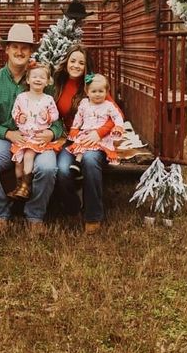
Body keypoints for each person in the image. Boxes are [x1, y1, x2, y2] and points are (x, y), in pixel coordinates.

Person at [0, 23, 63, 234]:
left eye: (25, 47)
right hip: (8, 140)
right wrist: (7, 133)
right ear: (6, 49)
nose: (20, 52)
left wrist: (51, 133)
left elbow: (58, 121)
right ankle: (1, 214)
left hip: (40, 141)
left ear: (31, 51)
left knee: (48, 168)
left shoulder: (41, 81)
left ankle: (35, 216)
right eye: (15, 46)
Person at [53, 45, 118, 234]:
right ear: (66, 63)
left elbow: (116, 114)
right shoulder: (58, 83)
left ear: (86, 66)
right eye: (73, 61)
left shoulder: (94, 86)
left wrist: (99, 132)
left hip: (93, 139)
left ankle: (93, 215)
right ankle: (73, 207)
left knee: (90, 161)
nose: (76, 65)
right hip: (69, 138)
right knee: (63, 171)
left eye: (81, 62)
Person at [8, 61, 61, 200]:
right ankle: (19, 186)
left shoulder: (48, 99)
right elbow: (15, 112)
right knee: (18, 161)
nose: (38, 79)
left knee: (28, 156)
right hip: (24, 136)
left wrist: (47, 116)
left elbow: (56, 115)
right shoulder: (22, 97)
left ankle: (26, 186)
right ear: (28, 79)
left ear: (48, 81)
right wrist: (20, 116)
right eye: (35, 76)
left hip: (37, 137)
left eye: (42, 77)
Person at [67, 73, 125, 176]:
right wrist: (75, 128)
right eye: (93, 91)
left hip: (101, 137)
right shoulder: (84, 104)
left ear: (106, 92)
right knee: (81, 144)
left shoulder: (108, 105)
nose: (97, 94)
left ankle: (80, 166)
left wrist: (118, 126)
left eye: (101, 91)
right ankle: (77, 163)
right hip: (86, 133)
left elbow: (117, 116)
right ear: (87, 92)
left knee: (90, 148)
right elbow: (78, 117)